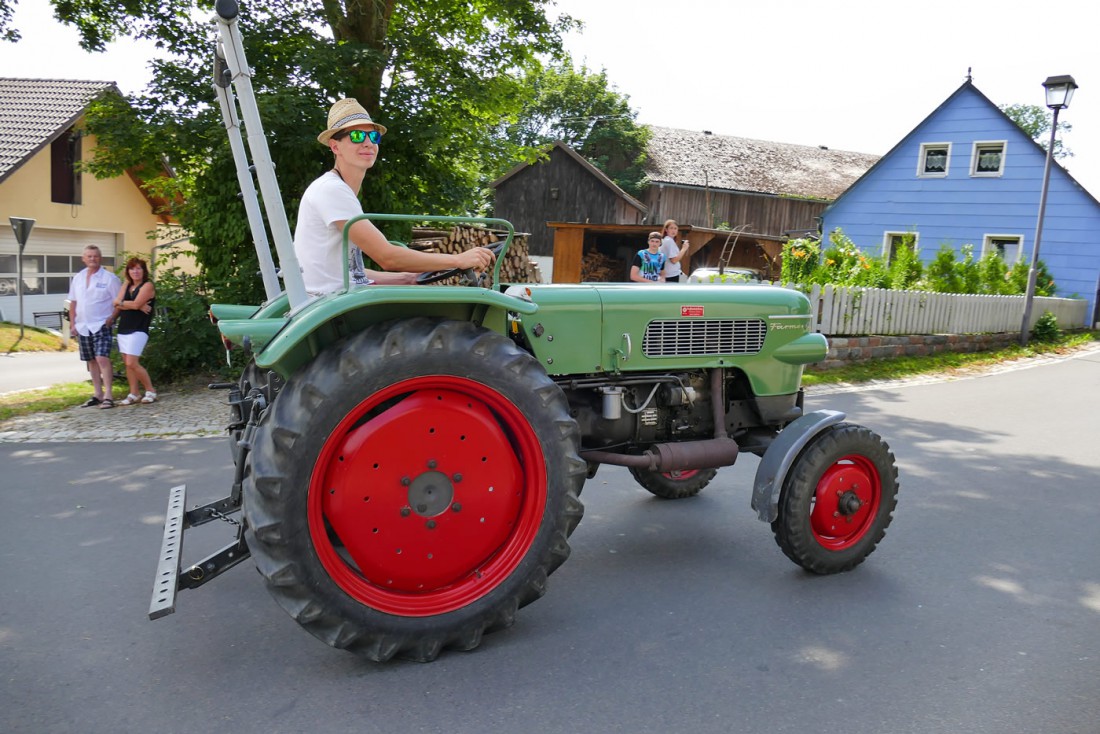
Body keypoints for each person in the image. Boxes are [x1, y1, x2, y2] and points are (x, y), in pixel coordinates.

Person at [294, 98, 495, 296]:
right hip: (326, 301)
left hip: (335, 294)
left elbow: (346, 273)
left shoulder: (338, 190)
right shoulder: (331, 190)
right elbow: (387, 257)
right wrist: (458, 260)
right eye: (356, 136)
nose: (367, 143)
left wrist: (407, 278)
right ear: (335, 147)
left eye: (373, 137)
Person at [67, 245, 122, 408]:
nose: (92, 259)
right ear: (83, 259)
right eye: (89, 256)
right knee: (91, 360)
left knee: (101, 358)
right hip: (83, 325)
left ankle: (108, 396)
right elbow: (73, 302)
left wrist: (112, 318)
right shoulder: (78, 278)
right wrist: (72, 323)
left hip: (101, 324)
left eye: (95, 256)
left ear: (101, 258)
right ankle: (97, 394)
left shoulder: (110, 278)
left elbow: (119, 302)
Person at [112, 257, 158, 405]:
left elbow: (137, 303)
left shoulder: (147, 285)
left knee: (132, 362)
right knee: (127, 363)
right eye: (132, 268)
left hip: (138, 328)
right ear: (128, 271)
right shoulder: (127, 284)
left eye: (139, 268)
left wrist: (132, 304)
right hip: (123, 328)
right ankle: (134, 393)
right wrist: (132, 305)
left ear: (144, 271)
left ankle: (150, 390)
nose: (135, 271)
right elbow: (116, 303)